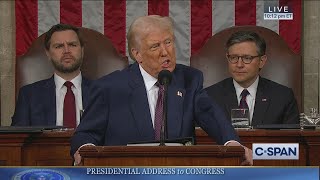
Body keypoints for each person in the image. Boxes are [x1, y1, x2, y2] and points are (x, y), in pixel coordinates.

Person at [71, 15, 252, 165]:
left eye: (168, 42)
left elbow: (210, 114)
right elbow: (86, 133)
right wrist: (83, 150)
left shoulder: (189, 79)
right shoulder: (109, 88)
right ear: (137, 54)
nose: (165, 52)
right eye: (155, 46)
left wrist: (233, 144)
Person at [205, 31, 299, 126]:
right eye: (233, 57)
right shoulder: (209, 97)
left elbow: (291, 138)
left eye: (247, 58)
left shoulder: (282, 97)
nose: (239, 65)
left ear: (262, 61)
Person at [11, 24, 92, 128]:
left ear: (82, 50)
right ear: (48, 53)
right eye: (59, 46)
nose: (66, 51)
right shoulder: (29, 96)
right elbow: (18, 140)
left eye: (72, 45)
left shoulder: (102, 93)